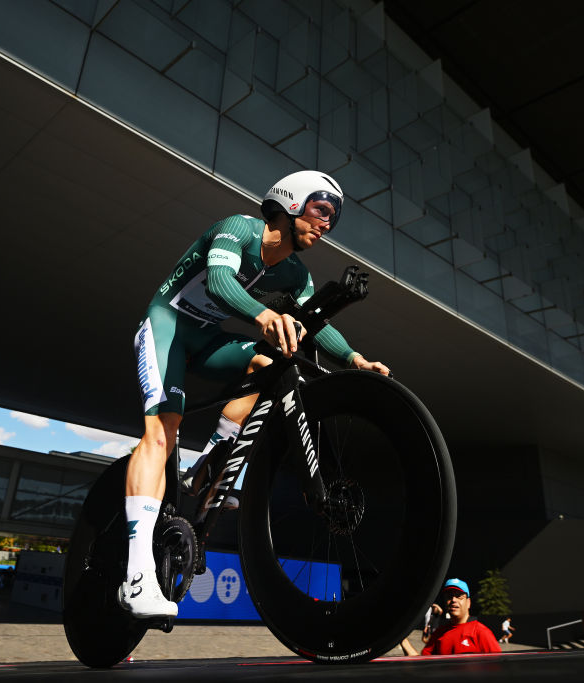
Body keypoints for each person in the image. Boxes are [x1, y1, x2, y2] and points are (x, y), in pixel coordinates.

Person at [121, 170, 390, 618]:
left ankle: (212, 461)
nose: (326, 224)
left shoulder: (292, 271)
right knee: (162, 433)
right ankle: (136, 577)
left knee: (269, 365)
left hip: (206, 338)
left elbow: (315, 323)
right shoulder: (238, 228)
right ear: (289, 203)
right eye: (322, 210)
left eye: (333, 219)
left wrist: (356, 359)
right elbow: (220, 280)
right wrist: (265, 314)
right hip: (166, 326)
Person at [421, 579, 500, 655]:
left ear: (468, 602)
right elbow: (423, 663)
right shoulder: (439, 633)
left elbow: (499, 665)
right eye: (449, 596)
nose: (453, 600)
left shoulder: (481, 632)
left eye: (459, 596)